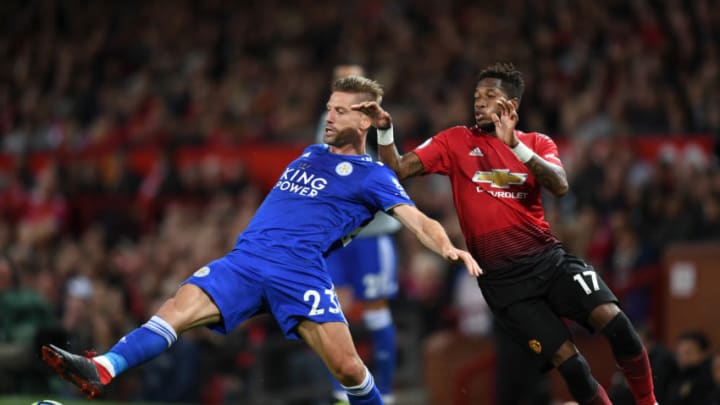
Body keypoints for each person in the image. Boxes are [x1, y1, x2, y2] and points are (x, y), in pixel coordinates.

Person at [40, 76, 481, 405]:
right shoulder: (309, 154)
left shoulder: (374, 177)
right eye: (328, 108)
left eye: (341, 111)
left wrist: (446, 247)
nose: (328, 117)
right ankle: (104, 367)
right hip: (246, 260)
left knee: (349, 369)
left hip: (299, 271)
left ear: (364, 119)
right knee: (175, 310)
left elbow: (417, 219)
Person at [352, 62, 657, 405]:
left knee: (618, 325)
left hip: (550, 261)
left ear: (511, 105)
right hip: (506, 287)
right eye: (476, 96)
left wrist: (515, 145)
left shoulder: (537, 142)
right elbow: (398, 168)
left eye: (490, 95)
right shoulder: (455, 140)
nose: (479, 102)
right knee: (571, 368)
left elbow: (559, 185)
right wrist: (386, 132)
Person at [316, 64, 403, 405]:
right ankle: (342, 395)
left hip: (372, 236)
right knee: (332, 312)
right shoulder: (324, 123)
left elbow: (391, 172)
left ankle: (389, 394)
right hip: (337, 238)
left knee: (376, 312)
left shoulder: (379, 122)